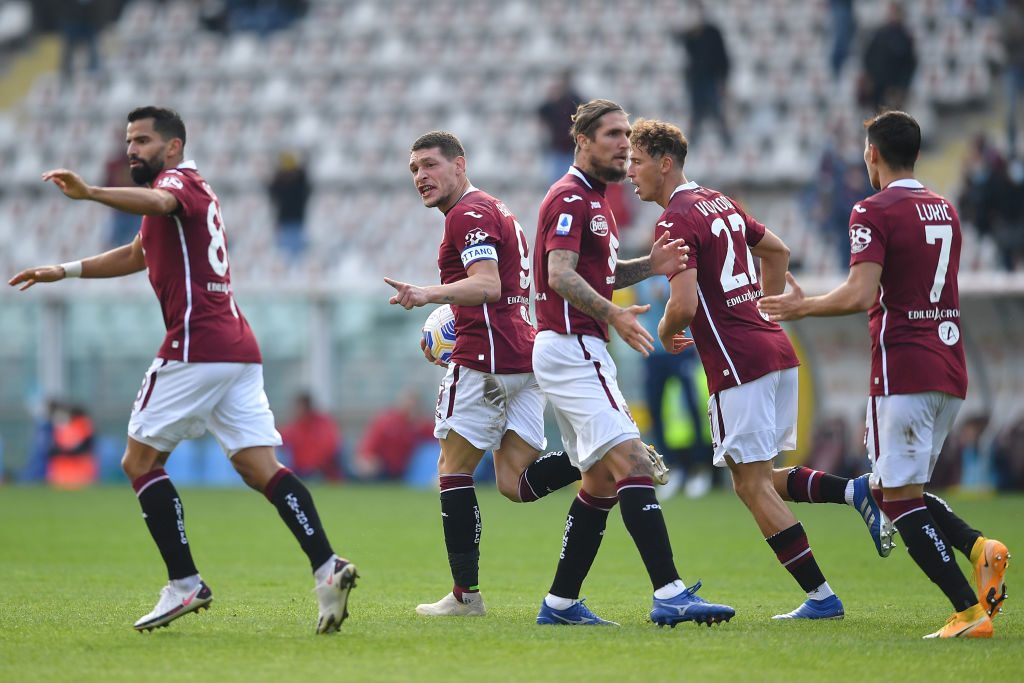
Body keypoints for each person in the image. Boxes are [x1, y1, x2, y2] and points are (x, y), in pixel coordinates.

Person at [8, 106, 357, 635]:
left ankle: (184, 582)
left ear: (172, 147)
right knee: (259, 467)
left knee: (139, 460)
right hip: (236, 348)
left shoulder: (178, 183)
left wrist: (93, 194)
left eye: (143, 140)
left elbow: (160, 199)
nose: (132, 150)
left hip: (197, 345)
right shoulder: (178, 199)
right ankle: (327, 566)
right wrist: (66, 269)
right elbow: (136, 253)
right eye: (129, 141)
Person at [758, 110, 1010, 638]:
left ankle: (968, 612)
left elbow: (861, 293)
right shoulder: (945, 209)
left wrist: (801, 308)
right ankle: (978, 548)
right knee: (899, 488)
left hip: (904, 367)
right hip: (950, 366)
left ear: (871, 153)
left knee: (895, 498)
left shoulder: (871, 210)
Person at [629, 116, 851, 620]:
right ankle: (855, 491)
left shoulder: (674, 219)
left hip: (738, 361)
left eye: (636, 161)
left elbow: (682, 308)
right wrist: (763, 309)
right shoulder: (720, 201)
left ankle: (821, 598)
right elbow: (778, 250)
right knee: (761, 476)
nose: (629, 172)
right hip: (772, 350)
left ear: (665, 164)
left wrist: (666, 335)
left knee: (749, 485)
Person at [384, 130, 611, 618]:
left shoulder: (467, 214)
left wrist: (427, 294)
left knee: (452, 472)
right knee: (515, 482)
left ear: (460, 164)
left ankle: (466, 598)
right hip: (522, 357)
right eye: (413, 169)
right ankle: (604, 452)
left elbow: (486, 285)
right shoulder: (494, 209)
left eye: (430, 165)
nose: (421, 176)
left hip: (485, 361)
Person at [531, 99, 733, 627]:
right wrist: (614, 318)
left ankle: (560, 604)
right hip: (573, 345)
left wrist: (650, 265)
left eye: (627, 134)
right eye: (613, 134)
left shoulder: (596, 199)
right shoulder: (572, 197)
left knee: (600, 482)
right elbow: (560, 274)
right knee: (634, 465)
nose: (624, 143)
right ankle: (669, 592)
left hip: (577, 346)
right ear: (582, 141)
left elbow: (598, 272)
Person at [674, 2, 732, 148]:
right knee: (695, 114)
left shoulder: (713, 32)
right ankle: (692, 143)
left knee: (718, 112)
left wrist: (723, 81)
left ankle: (727, 142)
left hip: (712, 80)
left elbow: (723, 58)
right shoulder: (685, 37)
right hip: (694, 82)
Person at [353, 390, 434, 480]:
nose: (412, 406)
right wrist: (366, 458)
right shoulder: (387, 421)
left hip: (405, 471)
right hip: (382, 467)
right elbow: (369, 445)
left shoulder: (421, 425)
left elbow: (438, 437)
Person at [860, 3, 917, 112]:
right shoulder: (880, 33)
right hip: (877, 87)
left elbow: (909, 65)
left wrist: (901, 87)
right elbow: (868, 56)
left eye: (896, 13)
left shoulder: (905, 37)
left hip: (894, 89)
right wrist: (869, 77)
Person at [279, 392, 342, 481]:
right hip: (299, 469)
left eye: (298, 407)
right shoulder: (295, 426)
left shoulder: (321, 424)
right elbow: (280, 439)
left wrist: (313, 465)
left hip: (319, 470)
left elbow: (329, 447)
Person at [537, 70, 584, 185]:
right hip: (558, 149)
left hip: (572, 150)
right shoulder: (552, 102)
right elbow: (541, 114)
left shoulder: (576, 100)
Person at [267, 150, 311, 262]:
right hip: (285, 222)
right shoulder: (280, 182)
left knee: (297, 256)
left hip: (297, 222)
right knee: (284, 255)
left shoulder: (300, 181)